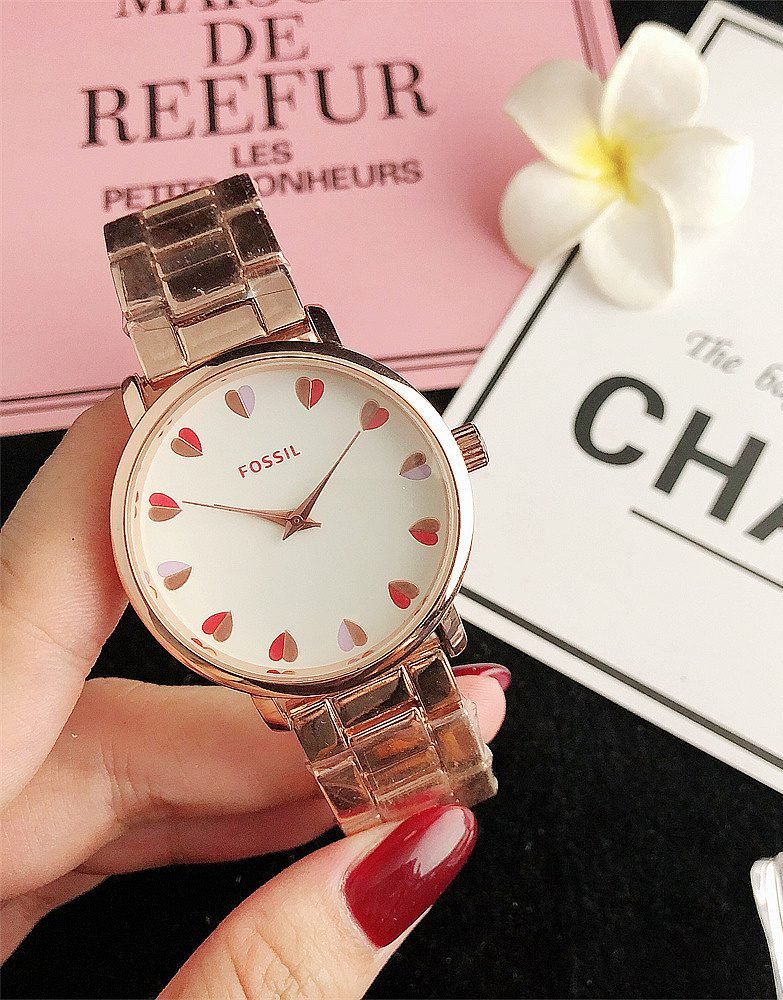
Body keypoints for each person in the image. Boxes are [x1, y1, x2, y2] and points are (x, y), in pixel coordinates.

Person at [0, 394, 509, 997]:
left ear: (453, 454)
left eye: (296, 516)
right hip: (305, 676)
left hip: (388, 636)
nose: (295, 521)